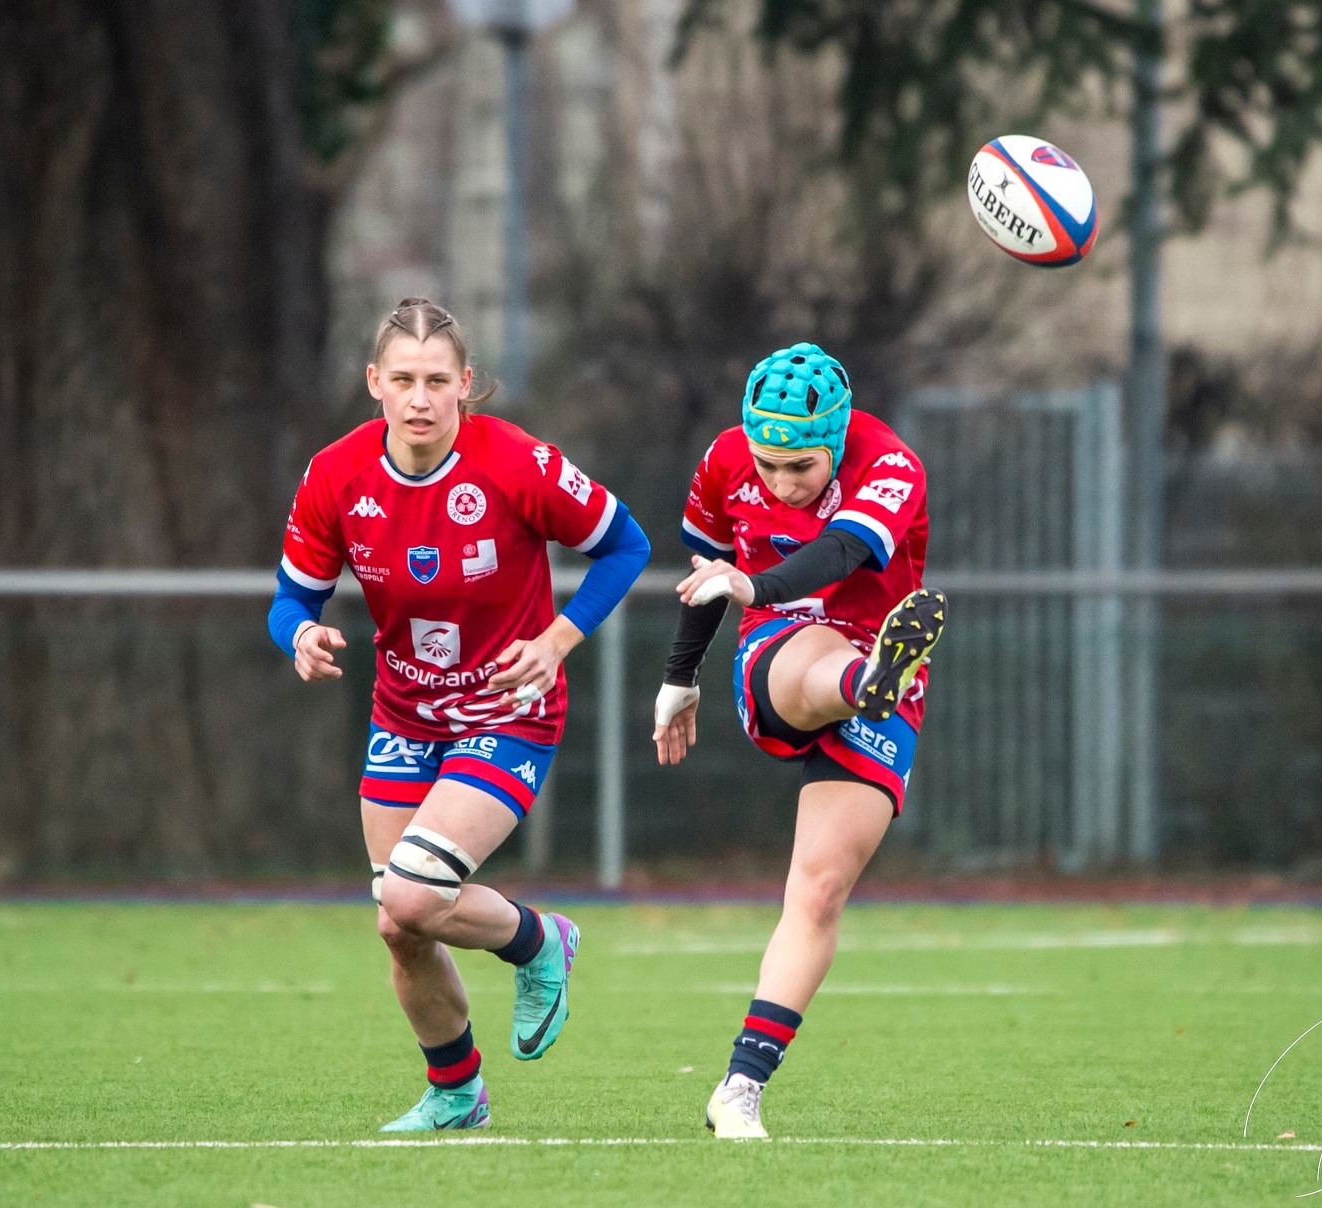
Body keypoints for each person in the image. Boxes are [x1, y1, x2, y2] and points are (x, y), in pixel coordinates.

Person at [268, 298, 650, 1132]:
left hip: (508, 709)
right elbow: (289, 597)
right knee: (400, 926)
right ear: (374, 383)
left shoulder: (515, 462)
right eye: (401, 379)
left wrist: (556, 640)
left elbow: (627, 545)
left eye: (436, 380)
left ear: (465, 385)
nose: (418, 397)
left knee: (409, 894)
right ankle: (456, 1095)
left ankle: (539, 942)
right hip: (402, 714)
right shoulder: (335, 474)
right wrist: (299, 633)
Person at [653, 342, 946, 1139]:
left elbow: (841, 552)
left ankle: (738, 1088)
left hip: (872, 648)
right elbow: (710, 573)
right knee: (820, 662)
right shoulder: (722, 459)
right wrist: (680, 676)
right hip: (781, 644)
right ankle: (863, 683)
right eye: (768, 465)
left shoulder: (889, 463)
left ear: (839, 434)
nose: (782, 484)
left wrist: (757, 578)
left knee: (817, 893)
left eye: (802, 468)